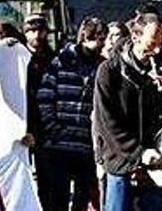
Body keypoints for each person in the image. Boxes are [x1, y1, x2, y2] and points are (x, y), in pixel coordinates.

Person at [93, 13, 162, 211]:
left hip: (156, 166)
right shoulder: (109, 71)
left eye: (161, 41)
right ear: (136, 37)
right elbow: (107, 123)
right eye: (153, 41)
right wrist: (140, 154)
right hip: (120, 163)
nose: (158, 47)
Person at [36, 17, 106, 211]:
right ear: (84, 37)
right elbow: (45, 97)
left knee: (81, 201)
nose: (100, 44)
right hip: (58, 144)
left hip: (86, 145)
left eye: (102, 40)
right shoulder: (60, 62)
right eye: (97, 39)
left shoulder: (102, 67)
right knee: (57, 198)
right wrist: (54, 129)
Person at [22, 13, 55, 150]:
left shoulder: (54, 59)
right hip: (24, 117)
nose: (36, 35)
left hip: (46, 122)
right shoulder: (19, 57)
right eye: (32, 31)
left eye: (40, 31)